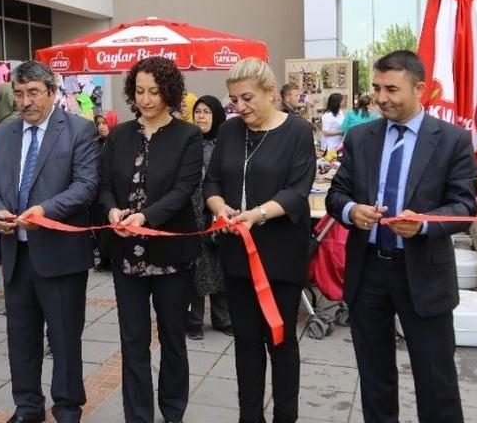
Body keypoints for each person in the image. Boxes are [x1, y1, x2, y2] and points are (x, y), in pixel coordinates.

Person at [325, 50, 477, 422]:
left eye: (391, 89)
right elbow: (336, 195)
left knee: (435, 379)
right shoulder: (360, 137)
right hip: (369, 275)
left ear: (420, 89)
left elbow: (463, 207)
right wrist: (350, 211)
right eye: (377, 88)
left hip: (423, 273)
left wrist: (424, 223)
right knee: (374, 378)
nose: (381, 98)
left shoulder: (452, 140)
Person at [0, 60, 100, 423]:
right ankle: (27, 407)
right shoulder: (2, 134)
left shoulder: (79, 130)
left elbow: (86, 185)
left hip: (60, 255)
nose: (26, 101)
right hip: (17, 254)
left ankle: (66, 407)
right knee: (21, 338)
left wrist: (44, 210)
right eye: (19, 93)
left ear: (52, 92)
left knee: (64, 338)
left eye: (34, 93)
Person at [204, 57, 315, 423]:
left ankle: (286, 416)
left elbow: (297, 191)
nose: (240, 106)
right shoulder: (230, 132)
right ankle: (249, 417)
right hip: (237, 257)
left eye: (248, 97)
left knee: (280, 342)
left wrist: (258, 214)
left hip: (280, 257)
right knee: (246, 344)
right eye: (234, 99)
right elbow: (213, 182)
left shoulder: (297, 132)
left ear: (271, 93)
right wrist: (221, 208)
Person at [98, 56, 203, 423]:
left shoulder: (187, 135)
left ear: (169, 92)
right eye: (140, 91)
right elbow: (105, 184)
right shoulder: (120, 135)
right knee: (133, 341)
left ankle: (172, 411)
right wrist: (112, 211)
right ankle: (138, 415)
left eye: (154, 92)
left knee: (173, 338)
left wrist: (145, 217)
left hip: (171, 252)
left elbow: (183, 189)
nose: (146, 99)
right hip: (126, 254)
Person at [186, 95, 232, 341]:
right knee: (196, 271)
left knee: (220, 267)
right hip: (192, 216)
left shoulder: (224, 145)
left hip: (217, 215)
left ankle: (223, 318)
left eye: (207, 112)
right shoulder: (188, 142)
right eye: (198, 111)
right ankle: (194, 320)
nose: (201, 116)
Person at [90, 112, 118, 273]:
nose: (101, 127)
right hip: (96, 192)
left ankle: (113, 258)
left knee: (111, 225)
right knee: (98, 226)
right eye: (99, 124)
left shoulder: (119, 143)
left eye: (104, 123)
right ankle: (104, 257)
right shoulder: (96, 144)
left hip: (111, 192)